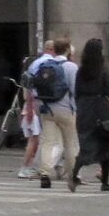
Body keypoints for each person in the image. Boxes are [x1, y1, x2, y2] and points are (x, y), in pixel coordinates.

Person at [27, 38, 78, 188]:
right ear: (68, 50)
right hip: (66, 110)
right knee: (70, 143)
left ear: (54, 50)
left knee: (48, 143)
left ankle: (44, 173)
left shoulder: (45, 65)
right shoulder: (71, 67)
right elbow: (75, 90)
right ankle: (72, 175)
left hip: (46, 108)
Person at [72, 39, 109, 191]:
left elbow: (77, 91)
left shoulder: (81, 70)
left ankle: (74, 174)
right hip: (100, 107)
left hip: (85, 109)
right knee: (105, 145)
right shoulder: (103, 69)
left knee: (86, 142)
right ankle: (105, 182)